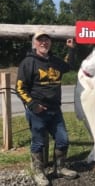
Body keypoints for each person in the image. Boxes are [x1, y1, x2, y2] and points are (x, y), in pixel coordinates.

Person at [15, 31, 78, 185]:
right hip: (37, 111)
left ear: (50, 43)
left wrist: (71, 49)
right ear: (35, 43)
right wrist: (33, 105)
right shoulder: (28, 62)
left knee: (63, 140)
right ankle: (38, 172)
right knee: (38, 143)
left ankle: (60, 168)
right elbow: (20, 88)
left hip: (55, 110)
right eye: (40, 40)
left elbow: (68, 65)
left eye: (46, 40)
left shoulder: (56, 61)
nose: (44, 43)